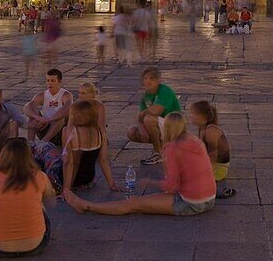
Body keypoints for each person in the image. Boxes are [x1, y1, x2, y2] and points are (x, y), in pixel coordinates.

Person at [65, 112, 215, 217]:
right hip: (210, 198)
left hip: (191, 202)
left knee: (132, 204)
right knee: (150, 200)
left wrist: (151, 182)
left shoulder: (172, 148)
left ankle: (86, 205)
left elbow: (171, 186)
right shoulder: (194, 140)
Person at [0, 138, 55, 258]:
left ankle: (2, 232)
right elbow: (51, 200)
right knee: (39, 203)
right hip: (35, 246)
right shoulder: (39, 176)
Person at [54, 100, 118, 194]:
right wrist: (112, 184)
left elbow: (69, 163)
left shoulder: (69, 132)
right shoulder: (100, 133)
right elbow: (103, 160)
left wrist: (66, 190)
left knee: (46, 150)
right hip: (87, 179)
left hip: (65, 178)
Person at [126, 66, 181, 165]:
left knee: (149, 119)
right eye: (145, 78)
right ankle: (165, 149)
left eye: (151, 78)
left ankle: (159, 153)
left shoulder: (164, 90)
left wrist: (142, 114)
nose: (148, 81)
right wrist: (142, 129)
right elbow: (139, 119)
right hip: (163, 127)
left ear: (158, 80)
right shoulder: (146, 95)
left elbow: (157, 111)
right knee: (132, 132)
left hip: (175, 126)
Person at [189, 100, 236, 199]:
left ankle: (221, 186)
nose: (190, 116)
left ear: (201, 116)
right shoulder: (202, 127)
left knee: (206, 189)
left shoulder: (211, 131)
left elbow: (213, 157)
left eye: (193, 113)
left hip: (218, 166)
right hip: (208, 161)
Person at [25, 69, 73, 143]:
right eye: (48, 80)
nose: (49, 83)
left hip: (60, 132)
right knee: (33, 112)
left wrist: (49, 120)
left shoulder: (66, 95)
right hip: (44, 128)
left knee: (60, 117)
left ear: (59, 82)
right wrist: (38, 118)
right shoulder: (42, 95)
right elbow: (27, 107)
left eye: (53, 81)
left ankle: (43, 143)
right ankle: (31, 143)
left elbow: (68, 108)